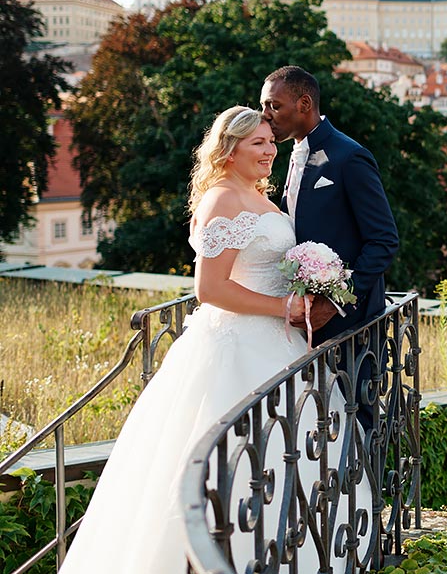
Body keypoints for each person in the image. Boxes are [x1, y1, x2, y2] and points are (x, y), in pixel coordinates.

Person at [58, 107, 355, 573]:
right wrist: (283, 308)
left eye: (270, 142)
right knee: (238, 462)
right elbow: (210, 290)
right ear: (229, 148)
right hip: (237, 347)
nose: (268, 150)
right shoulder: (222, 200)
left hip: (281, 344)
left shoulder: (257, 196)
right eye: (257, 143)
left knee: (287, 456)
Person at [260, 66, 399, 426]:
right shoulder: (289, 155)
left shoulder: (349, 157)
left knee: (357, 426)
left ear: (304, 104)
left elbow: (383, 240)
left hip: (351, 327)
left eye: (274, 106)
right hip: (303, 325)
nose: (265, 115)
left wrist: (336, 302)